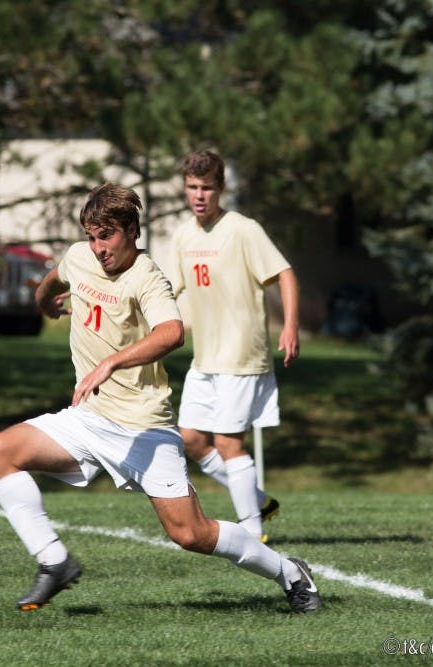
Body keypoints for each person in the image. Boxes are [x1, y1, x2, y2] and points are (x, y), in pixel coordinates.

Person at [0, 182, 320, 614]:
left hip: (143, 427)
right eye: (91, 235)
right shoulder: (79, 258)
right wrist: (45, 304)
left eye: (107, 236)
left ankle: (290, 572)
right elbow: (52, 281)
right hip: (86, 419)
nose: (98, 247)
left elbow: (171, 333)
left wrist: (111, 363)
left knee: (190, 535)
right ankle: (54, 561)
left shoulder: (147, 277)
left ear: (132, 231)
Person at [169, 150, 300, 543]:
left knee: (228, 443)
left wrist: (291, 326)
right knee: (189, 439)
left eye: (207, 187)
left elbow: (285, 274)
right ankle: (257, 500)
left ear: (221, 189)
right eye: (192, 187)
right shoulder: (183, 235)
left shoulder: (243, 229)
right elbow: (164, 289)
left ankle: (253, 531)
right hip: (205, 357)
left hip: (243, 354)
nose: (199, 195)